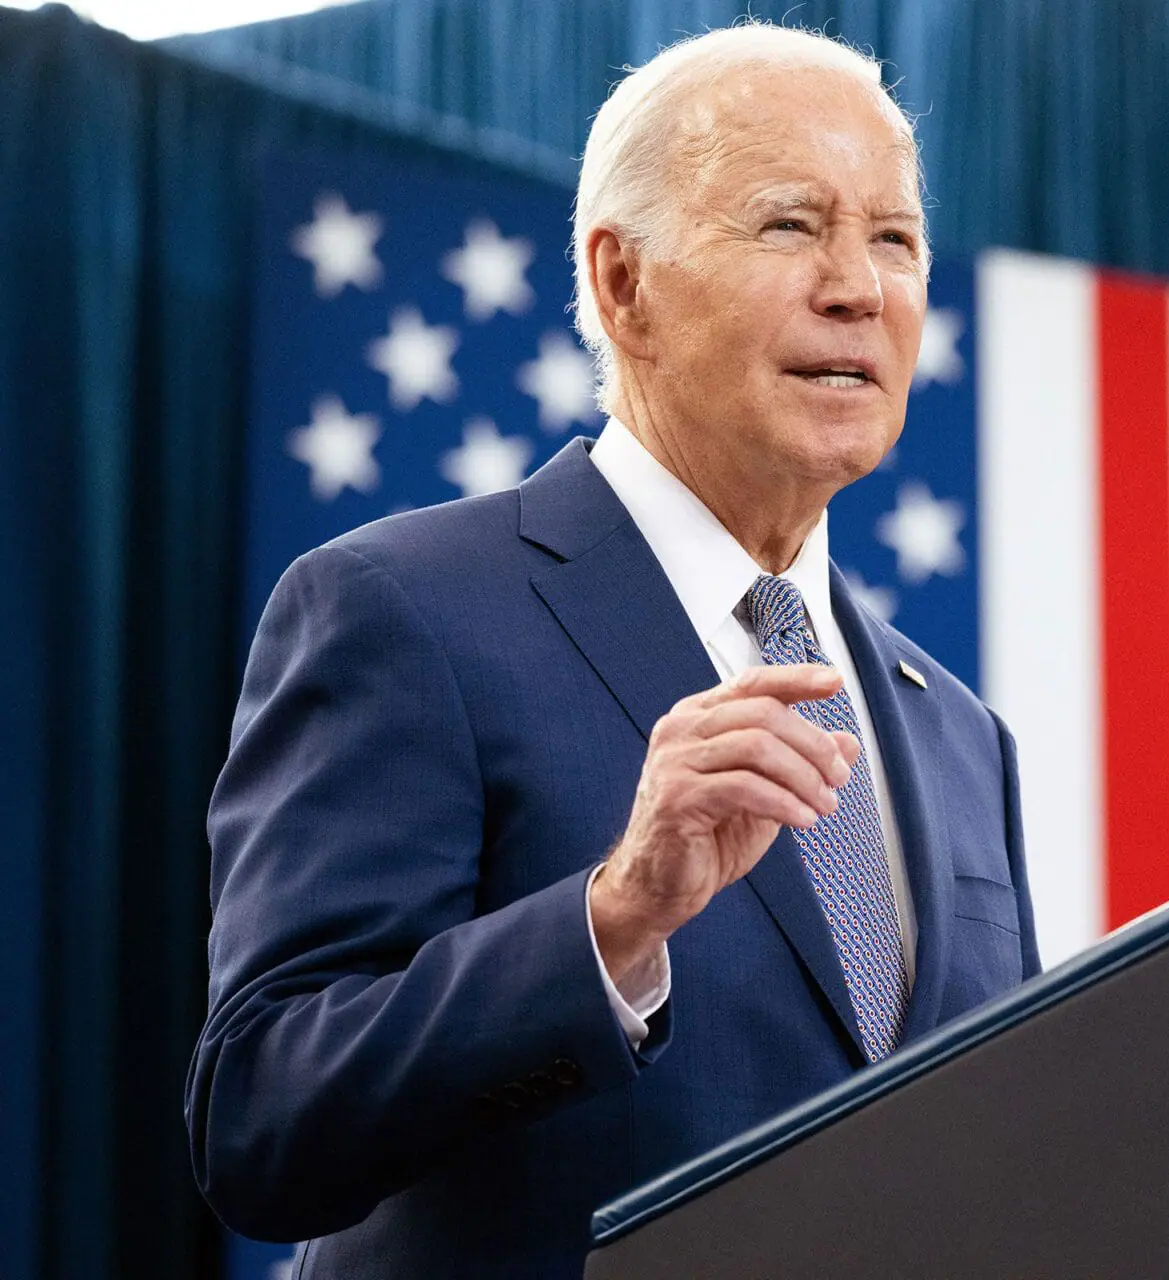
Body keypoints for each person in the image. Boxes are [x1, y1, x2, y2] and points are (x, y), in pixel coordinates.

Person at [187, 24, 1041, 1277]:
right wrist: (614, 917)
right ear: (623, 282)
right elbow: (263, 1117)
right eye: (793, 226)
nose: (862, 285)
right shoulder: (402, 608)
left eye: (896, 238)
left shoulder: (958, 730)